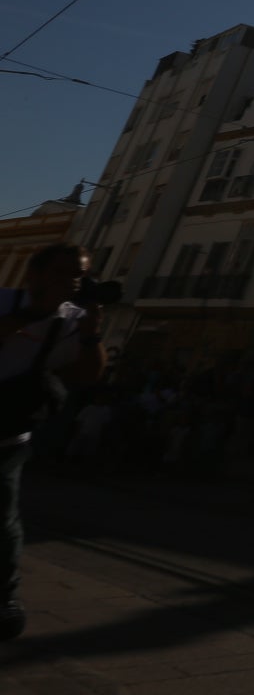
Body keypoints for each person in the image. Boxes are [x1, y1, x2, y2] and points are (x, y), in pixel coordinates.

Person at [1, 243, 107, 641]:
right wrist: (33, 314)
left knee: (3, 521)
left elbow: (87, 375)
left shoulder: (73, 321)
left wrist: (91, 334)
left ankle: (4, 596)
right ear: (34, 274)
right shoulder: (4, 302)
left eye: (79, 274)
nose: (73, 281)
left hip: (8, 435)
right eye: (63, 272)